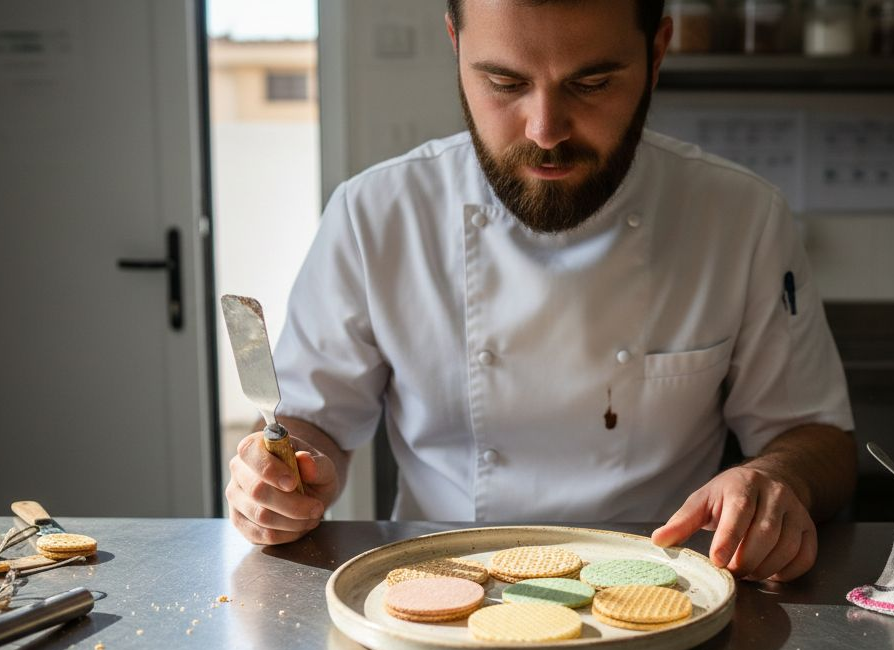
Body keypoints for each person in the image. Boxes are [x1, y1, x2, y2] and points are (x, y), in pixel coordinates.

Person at [225, 0, 856, 582]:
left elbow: (817, 436)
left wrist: (777, 478)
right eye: (504, 83)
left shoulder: (740, 216)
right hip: (441, 588)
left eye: (592, 83)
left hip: (667, 589)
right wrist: (279, 476)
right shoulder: (375, 215)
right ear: (455, 44)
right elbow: (313, 424)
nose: (545, 129)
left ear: (657, 52)